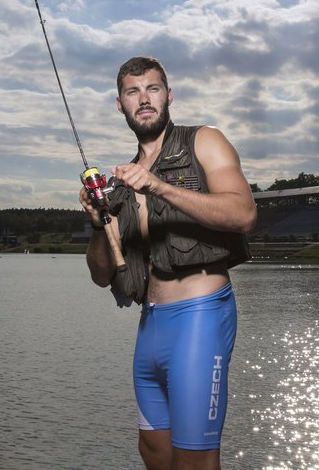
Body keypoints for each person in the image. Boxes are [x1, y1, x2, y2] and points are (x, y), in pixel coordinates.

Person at [80, 55, 257, 470]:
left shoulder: (204, 140)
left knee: (194, 461)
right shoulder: (120, 183)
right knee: (155, 454)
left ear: (169, 95)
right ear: (120, 104)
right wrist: (97, 222)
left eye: (152, 89)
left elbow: (243, 214)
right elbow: (101, 274)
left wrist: (160, 186)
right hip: (150, 327)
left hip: (200, 318)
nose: (144, 99)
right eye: (132, 92)